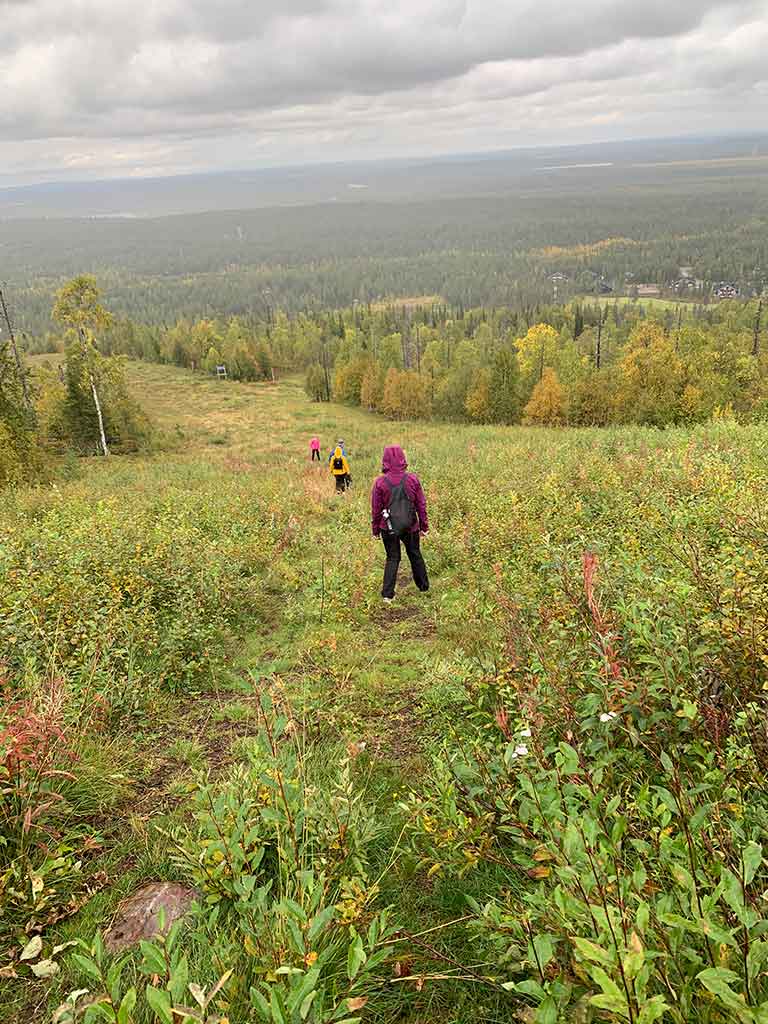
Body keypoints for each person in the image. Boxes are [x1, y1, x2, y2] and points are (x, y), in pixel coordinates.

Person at [371, 445, 429, 602]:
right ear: (403, 458)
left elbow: (376, 509)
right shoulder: (412, 479)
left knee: (392, 558)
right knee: (415, 554)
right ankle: (423, 588)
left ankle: (387, 595)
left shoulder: (380, 483)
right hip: (411, 526)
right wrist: (424, 526)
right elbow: (421, 505)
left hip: (388, 527)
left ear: (385, 460)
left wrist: (375, 530)